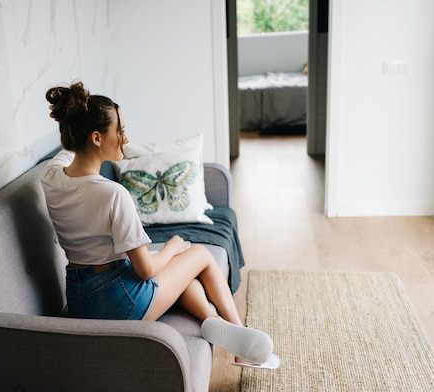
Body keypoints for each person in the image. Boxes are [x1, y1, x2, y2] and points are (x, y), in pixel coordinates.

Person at [41, 81, 279, 369]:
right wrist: (173, 247)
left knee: (184, 278)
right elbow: (146, 270)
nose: (126, 139)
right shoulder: (113, 195)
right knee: (199, 255)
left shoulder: (51, 175)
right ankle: (243, 347)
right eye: (121, 131)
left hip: (80, 298)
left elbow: (69, 152)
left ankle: (213, 321)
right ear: (96, 138)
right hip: (119, 304)